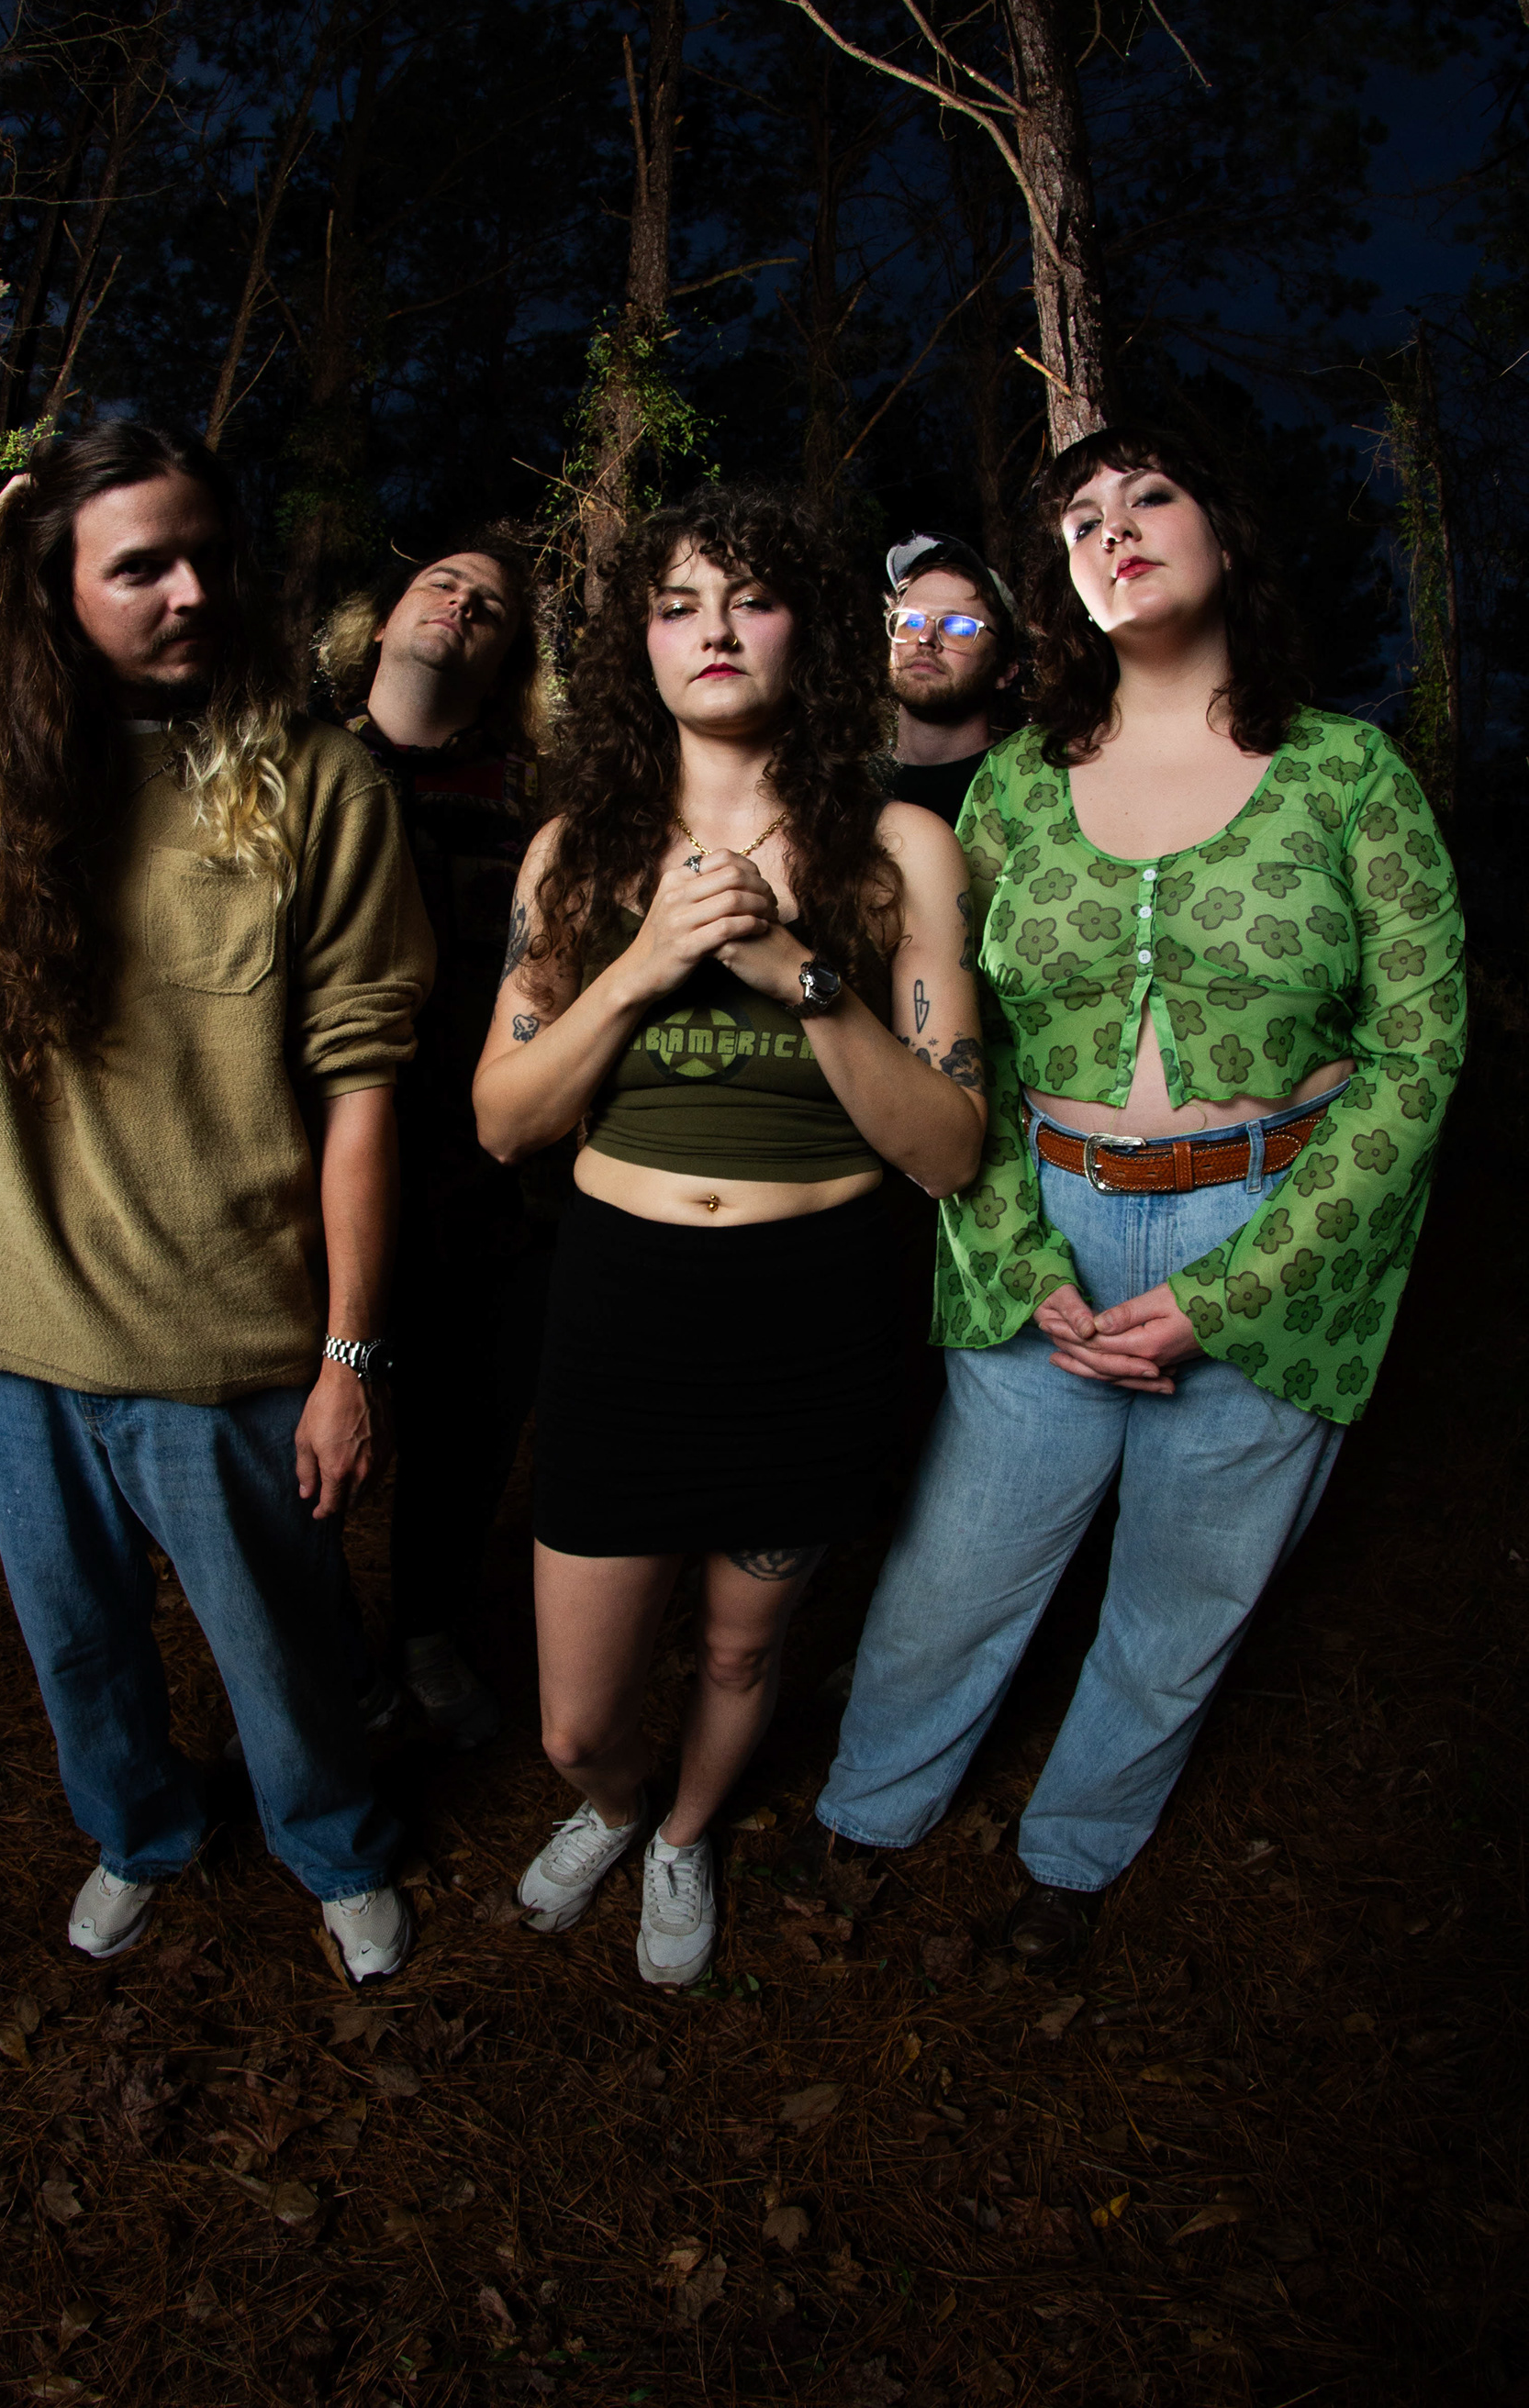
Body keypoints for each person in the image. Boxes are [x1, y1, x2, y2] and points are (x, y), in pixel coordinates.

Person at [0, 425, 436, 1980]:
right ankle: (141, 1833)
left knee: (282, 1649)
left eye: (206, 554)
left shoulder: (320, 784)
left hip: (223, 1341)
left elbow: (362, 1093)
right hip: (7, 1328)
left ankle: (334, 1848)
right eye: (139, 567)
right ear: (56, 594)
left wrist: (349, 1357)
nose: (191, 590)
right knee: (77, 1644)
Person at [808, 423, 1466, 1957]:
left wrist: (1231, 1293)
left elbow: (1420, 1053)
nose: (1116, 529)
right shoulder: (1014, 787)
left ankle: (1074, 1856)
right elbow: (958, 1047)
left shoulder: (1348, 771)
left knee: (1187, 1594)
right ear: (1064, 586)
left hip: (1276, 1225)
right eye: (1082, 520)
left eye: (1151, 496)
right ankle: (870, 1806)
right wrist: (1020, 1249)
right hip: (1044, 1218)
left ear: (1224, 533)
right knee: (955, 1571)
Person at [471, 487, 988, 1988]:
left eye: (749, 598)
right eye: (677, 602)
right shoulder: (575, 852)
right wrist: (641, 967)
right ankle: (616, 1803)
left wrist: (797, 973)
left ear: (805, 633)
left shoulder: (897, 846)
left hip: (812, 1305)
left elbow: (950, 1148)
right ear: (638, 642)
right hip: (624, 1304)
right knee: (576, 1718)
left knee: (743, 1648)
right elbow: (504, 1122)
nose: (713, 629)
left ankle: (686, 1834)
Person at [318, 534, 559, 1747]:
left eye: (491, 606)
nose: (461, 605)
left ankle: (425, 1631)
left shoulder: (537, 801)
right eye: (439, 584)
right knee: (293, 1434)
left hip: (485, 1181)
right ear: (378, 623)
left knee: (466, 1434)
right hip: (305, 1169)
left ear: (508, 658)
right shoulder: (297, 768)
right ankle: (316, 1660)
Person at [885, 532, 1024, 828]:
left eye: (959, 627)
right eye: (910, 621)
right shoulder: (846, 783)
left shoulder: (1027, 788)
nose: (925, 638)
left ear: (1005, 669)